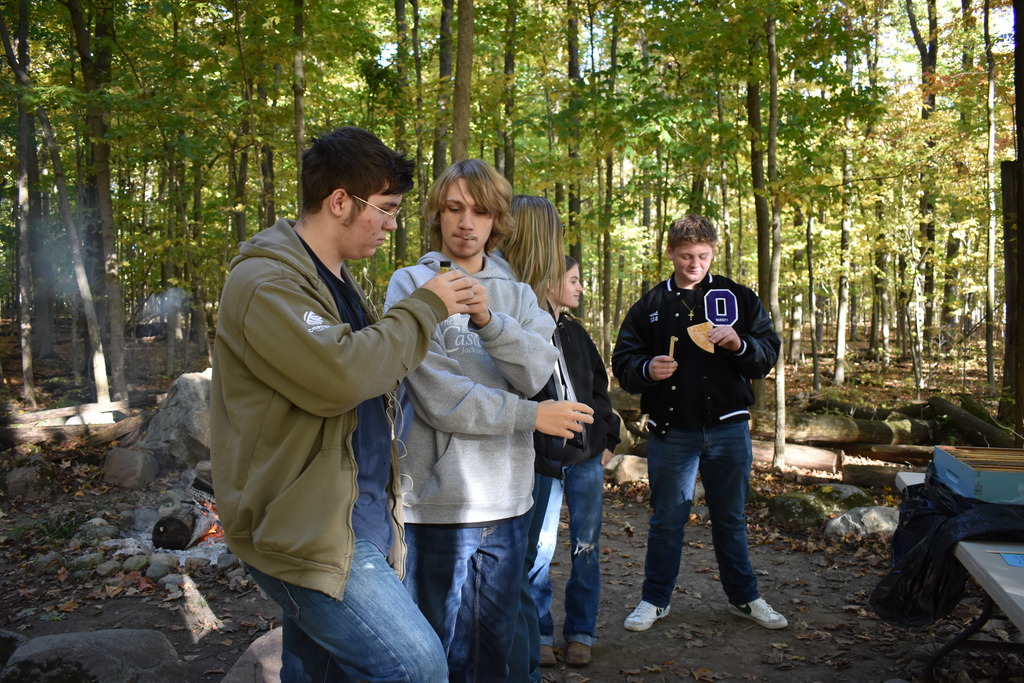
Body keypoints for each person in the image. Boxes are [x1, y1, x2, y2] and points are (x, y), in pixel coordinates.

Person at [210, 126, 478, 682]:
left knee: (319, 671)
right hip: (307, 527)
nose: (391, 225)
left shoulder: (329, 277)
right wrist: (427, 306)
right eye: (385, 209)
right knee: (418, 666)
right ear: (339, 201)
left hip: (351, 514)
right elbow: (343, 371)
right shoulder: (266, 282)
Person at [383, 160, 594, 681]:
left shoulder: (518, 294)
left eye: (480, 211)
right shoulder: (410, 283)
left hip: (507, 503)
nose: (466, 223)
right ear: (437, 213)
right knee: (433, 653)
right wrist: (531, 417)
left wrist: (488, 321)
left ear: (498, 220)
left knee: (491, 654)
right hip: (436, 504)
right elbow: (437, 394)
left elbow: (536, 370)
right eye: (454, 209)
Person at [611, 214, 788, 634]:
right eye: (687, 255)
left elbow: (767, 354)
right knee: (667, 519)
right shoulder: (650, 306)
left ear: (713, 252)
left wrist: (739, 343)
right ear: (670, 252)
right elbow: (623, 363)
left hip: (729, 429)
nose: (695, 264)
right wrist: (646, 368)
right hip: (673, 432)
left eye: (703, 256)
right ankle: (655, 600)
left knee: (730, 518)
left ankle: (745, 598)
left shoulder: (739, 298)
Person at [529, 254, 622, 668]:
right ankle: (539, 633)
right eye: (574, 279)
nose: (581, 287)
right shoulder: (527, 329)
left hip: (585, 458)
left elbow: (599, 390)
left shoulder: (578, 333)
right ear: (550, 282)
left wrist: (609, 437)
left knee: (586, 546)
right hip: (544, 459)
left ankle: (581, 632)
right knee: (539, 549)